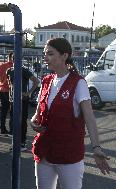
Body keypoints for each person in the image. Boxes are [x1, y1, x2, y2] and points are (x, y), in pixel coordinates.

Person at [30, 38, 110, 189]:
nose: (45, 57)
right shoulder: (46, 81)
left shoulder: (78, 83)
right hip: (44, 152)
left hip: (68, 154)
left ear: (64, 56)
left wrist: (96, 147)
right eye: (44, 53)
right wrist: (33, 122)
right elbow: (38, 114)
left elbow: (89, 118)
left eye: (50, 53)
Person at [6, 53, 40, 151]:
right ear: (12, 60)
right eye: (13, 59)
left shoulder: (24, 70)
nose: (15, 61)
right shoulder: (9, 71)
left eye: (16, 59)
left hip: (23, 100)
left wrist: (28, 93)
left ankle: (22, 143)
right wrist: (10, 95)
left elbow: (36, 81)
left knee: (22, 121)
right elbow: (9, 84)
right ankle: (15, 143)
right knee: (13, 121)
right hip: (13, 100)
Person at [0, 52, 13, 135]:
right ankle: (6, 129)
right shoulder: (13, 66)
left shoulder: (2, 66)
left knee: (3, 111)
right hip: (8, 91)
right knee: (9, 111)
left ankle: (2, 128)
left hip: (2, 89)